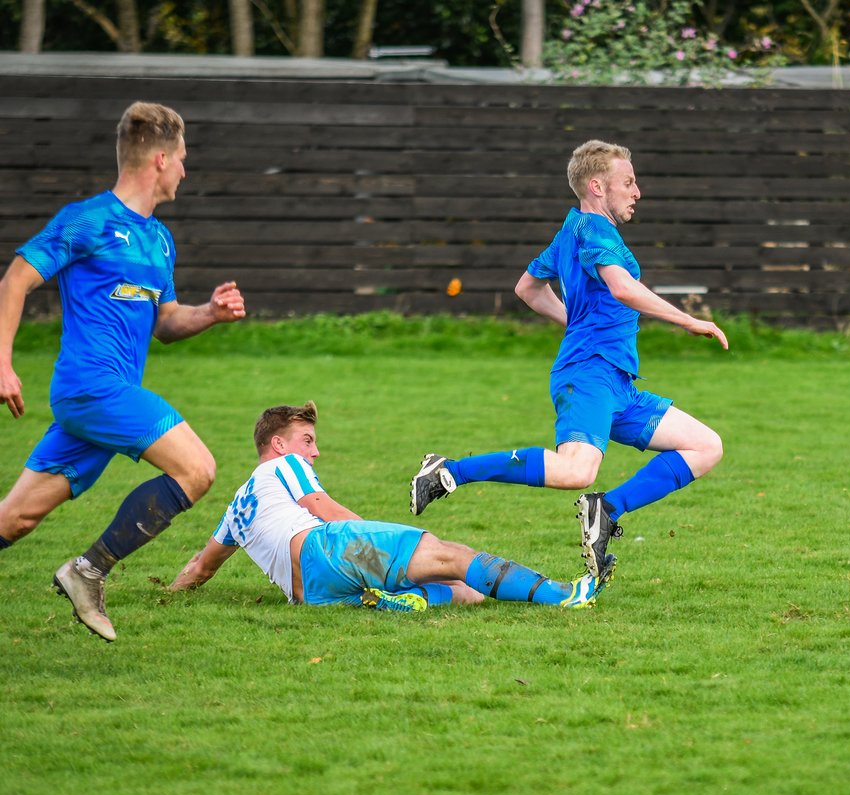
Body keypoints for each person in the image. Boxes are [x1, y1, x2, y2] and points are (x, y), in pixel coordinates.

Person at [410, 139, 726, 580]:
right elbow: (622, 288)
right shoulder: (595, 232)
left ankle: (607, 509)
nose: (637, 192)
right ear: (597, 186)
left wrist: (575, 322)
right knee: (576, 470)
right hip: (590, 376)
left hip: (616, 383)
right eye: (628, 183)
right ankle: (448, 471)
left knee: (705, 445)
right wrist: (688, 320)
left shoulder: (571, 229)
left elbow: (527, 289)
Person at [0, 101, 246, 642]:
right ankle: (87, 573)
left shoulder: (159, 239)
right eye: (182, 158)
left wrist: (208, 313)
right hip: (91, 388)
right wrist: (3, 363)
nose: (186, 169)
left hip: (106, 400)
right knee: (198, 469)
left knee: (13, 520)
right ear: (160, 159)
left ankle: (84, 572)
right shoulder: (85, 221)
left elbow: (164, 322)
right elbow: (15, 280)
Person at [170, 401, 612, 611]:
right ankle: (564, 595)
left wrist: (167, 598)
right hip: (325, 550)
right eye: (308, 440)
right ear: (278, 443)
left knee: (469, 594)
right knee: (450, 554)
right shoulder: (283, 465)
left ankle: (391, 599)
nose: (314, 452)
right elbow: (323, 508)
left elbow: (201, 568)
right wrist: (380, 535)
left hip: (311, 595)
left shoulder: (237, 506)